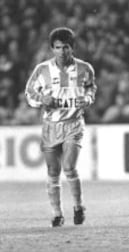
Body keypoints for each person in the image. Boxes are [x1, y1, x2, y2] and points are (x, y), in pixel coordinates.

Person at [25, 27, 97, 227]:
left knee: (69, 167)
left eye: (66, 47)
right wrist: (42, 99)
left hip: (74, 124)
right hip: (51, 126)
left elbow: (91, 87)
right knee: (53, 170)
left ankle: (78, 206)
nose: (62, 52)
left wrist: (88, 99)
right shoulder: (42, 70)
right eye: (57, 48)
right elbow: (29, 93)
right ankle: (57, 213)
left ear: (72, 48)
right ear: (52, 49)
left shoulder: (85, 68)